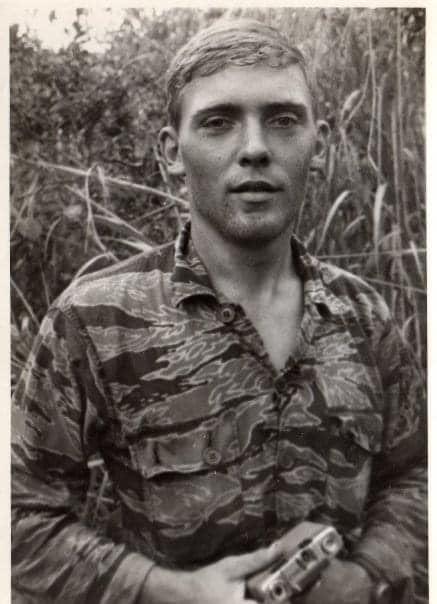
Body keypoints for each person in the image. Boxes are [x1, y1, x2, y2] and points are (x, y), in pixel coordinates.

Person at [12, 18, 427, 604]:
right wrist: (167, 590)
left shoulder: (366, 316)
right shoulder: (96, 321)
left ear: (319, 144)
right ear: (171, 153)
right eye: (218, 122)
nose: (255, 148)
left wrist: (365, 577)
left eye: (283, 120)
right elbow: (19, 517)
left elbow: (416, 476)